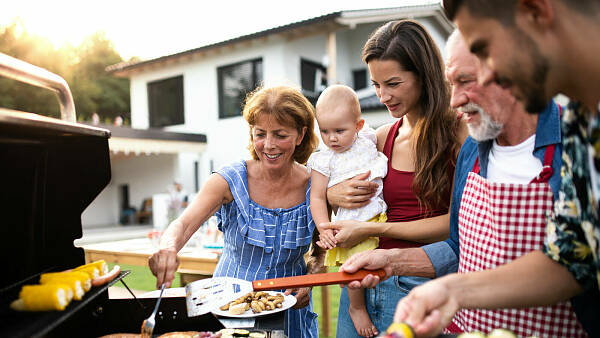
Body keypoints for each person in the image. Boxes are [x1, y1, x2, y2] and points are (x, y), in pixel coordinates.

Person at [390, 1, 600, 336]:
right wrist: (450, 290)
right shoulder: (582, 120)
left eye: (485, 51)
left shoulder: (567, 130)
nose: (489, 73)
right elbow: (572, 259)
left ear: (536, 12)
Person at [320, 20, 462, 337]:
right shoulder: (381, 138)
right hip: (362, 282)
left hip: (417, 285)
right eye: (375, 85)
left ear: (424, 75)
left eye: (393, 83)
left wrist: (372, 228)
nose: (383, 96)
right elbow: (328, 177)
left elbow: (458, 225)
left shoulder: (457, 133)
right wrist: (333, 195)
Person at [148, 85, 320, 338]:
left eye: (280, 135)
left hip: (291, 310)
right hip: (230, 308)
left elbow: (322, 249)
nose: (269, 145)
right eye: (260, 134)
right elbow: (183, 225)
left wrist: (309, 282)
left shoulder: (315, 185)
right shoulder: (229, 179)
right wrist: (168, 247)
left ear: (300, 134)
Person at [307, 84, 388, 337]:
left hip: (379, 216)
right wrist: (324, 228)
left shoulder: (369, 139)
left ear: (359, 126)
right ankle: (356, 307)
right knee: (354, 267)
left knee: (375, 269)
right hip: (350, 221)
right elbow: (318, 198)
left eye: (339, 131)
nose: (332, 138)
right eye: (325, 131)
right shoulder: (323, 159)